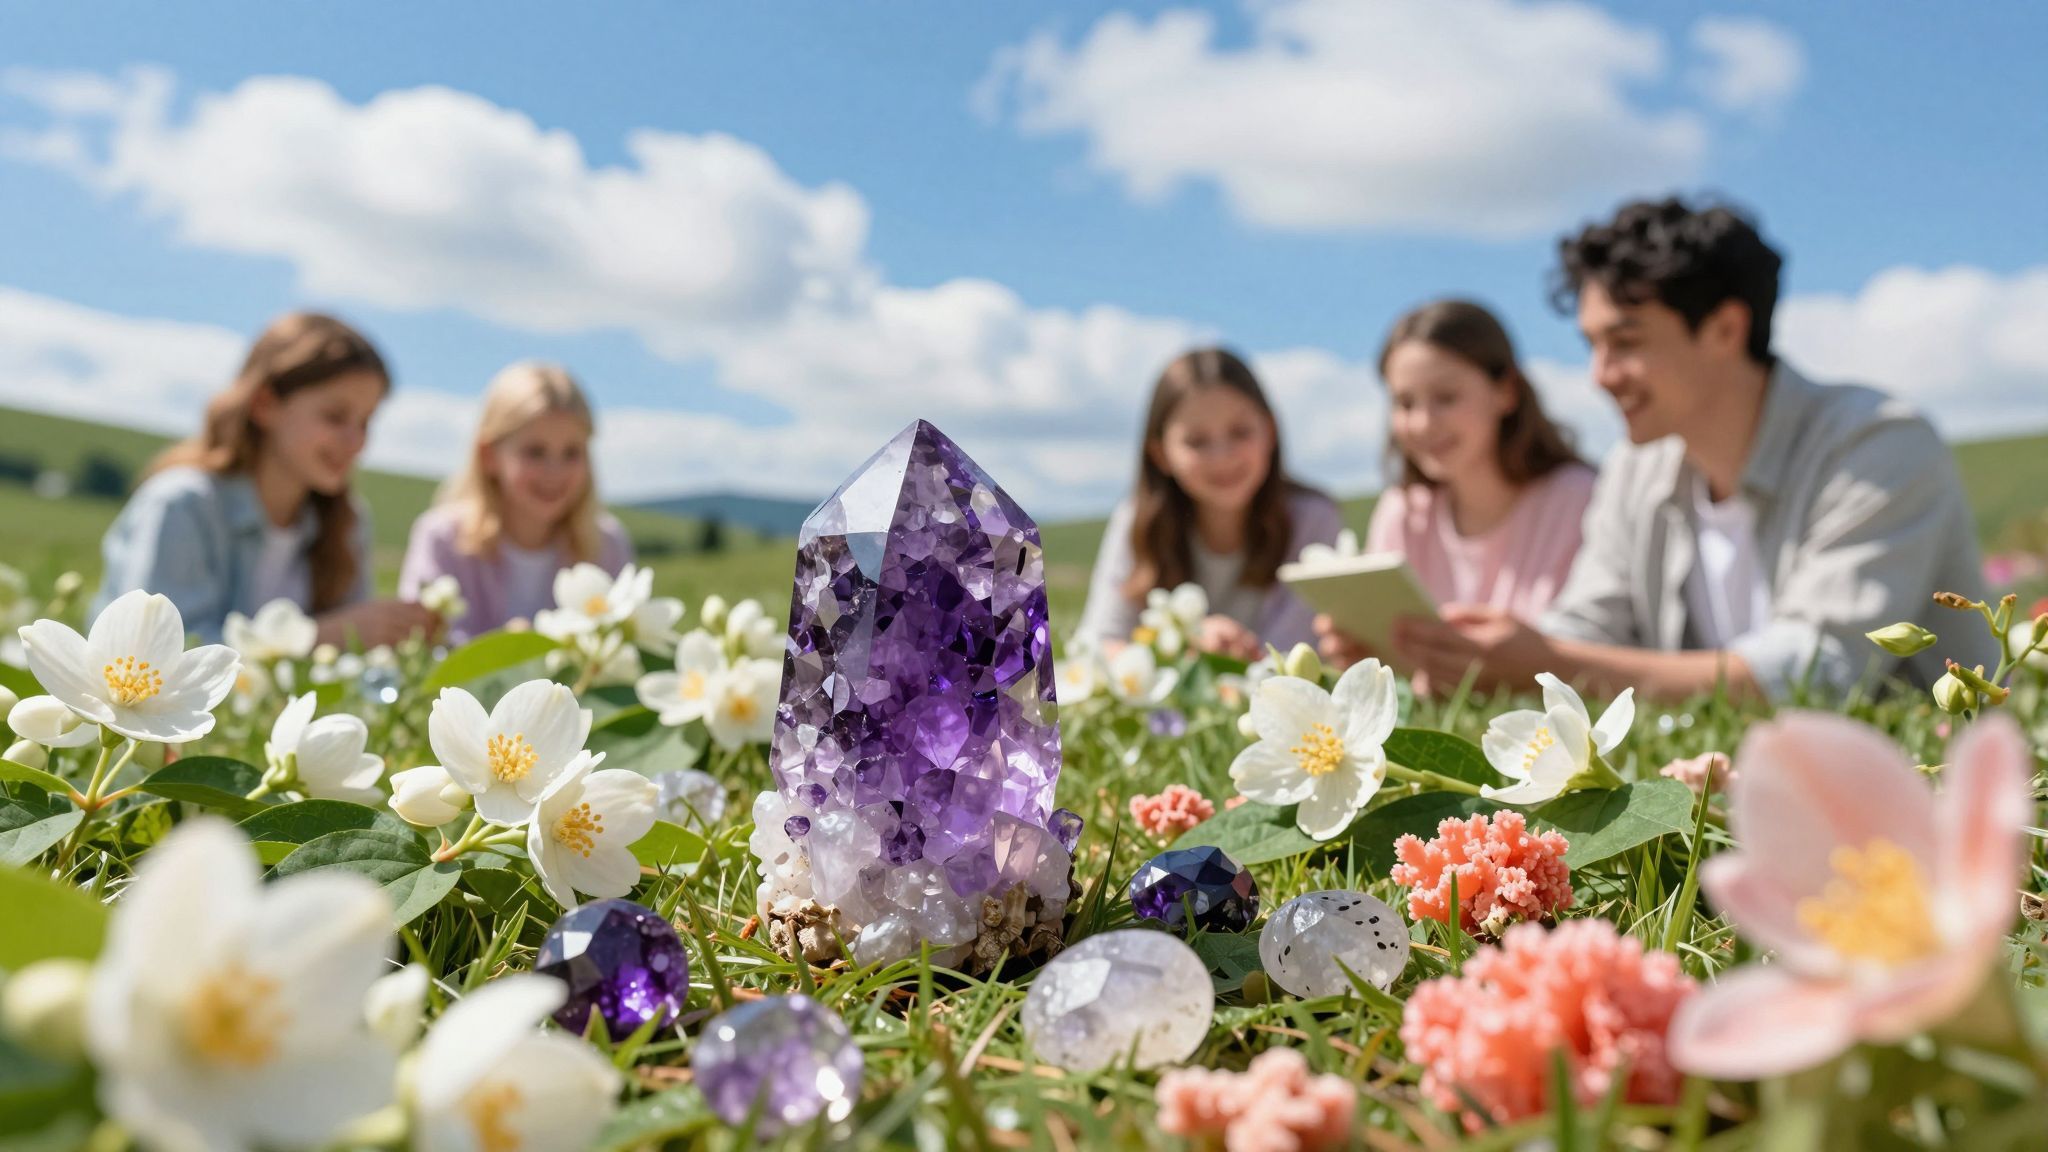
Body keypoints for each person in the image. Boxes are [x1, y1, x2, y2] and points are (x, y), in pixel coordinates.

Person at [1328, 196, 1996, 701]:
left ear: (1726, 328)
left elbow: (1820, 669)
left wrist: (1553, 666)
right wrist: (1467, 651)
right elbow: (1591, 622)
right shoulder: (1637, 469)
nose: (1600, 374)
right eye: (1592, 345)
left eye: (1627, 342)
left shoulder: (1878, 447)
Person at [91, 312, 436, 647]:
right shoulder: (184, 505)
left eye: (365, 422)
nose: (356, 441)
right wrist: (318, 639)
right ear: (264, 405)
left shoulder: (347, 521)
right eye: (335, 417)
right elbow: (158, 657)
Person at [1078, 347, 1343, 658]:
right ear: (1161, 454)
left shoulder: (1312, 519)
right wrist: (1184, 644)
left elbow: (1295, 656)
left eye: (1240, 432)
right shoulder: (1137, 519)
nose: (1223, 456)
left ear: (1269, 432)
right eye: (1197, 441)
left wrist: (1210, 656)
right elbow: (1096, 644)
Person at [1362, 299, 1595, 620]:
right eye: (1405, 403)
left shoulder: (1580, 501)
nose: (1423, 423)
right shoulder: (1403, 513)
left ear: (1506, 392)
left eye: (1446, 398)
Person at [399, 362, 632, 641]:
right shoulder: (443, 539)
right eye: (535, 452)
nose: (554, 472)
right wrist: (507, 651)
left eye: (572, 452)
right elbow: (421, 643)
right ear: (489, 457)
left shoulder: (606, 545)